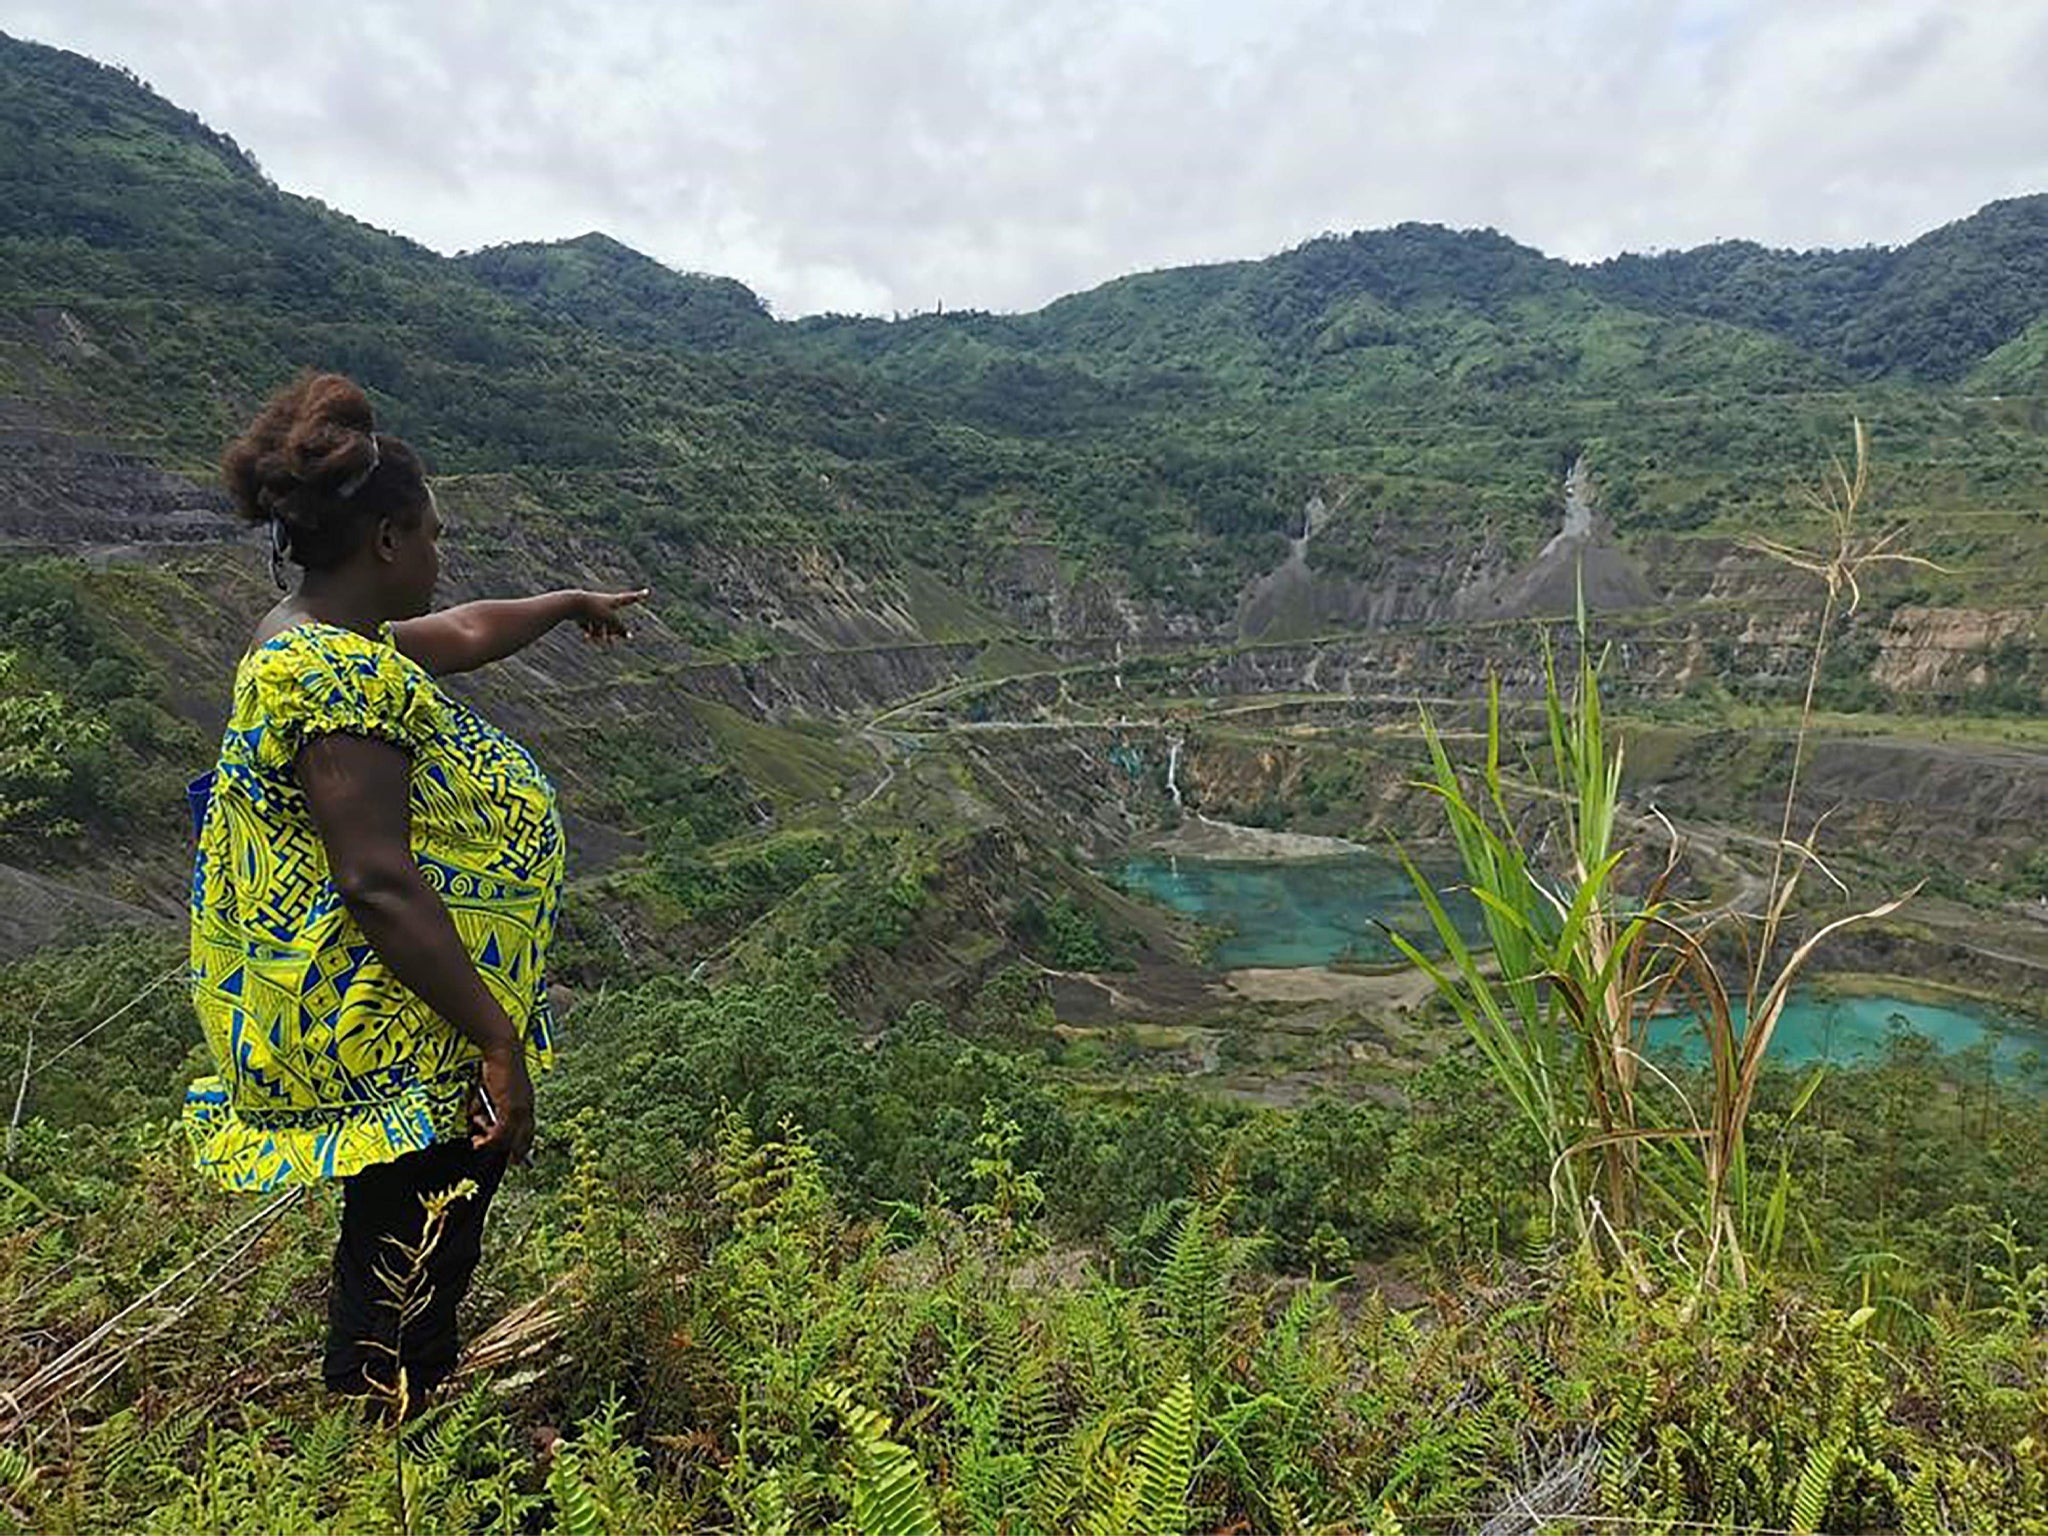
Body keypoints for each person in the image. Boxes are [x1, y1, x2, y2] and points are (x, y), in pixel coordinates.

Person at [183, 372, 647, 1406]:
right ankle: (383, 1433)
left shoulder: (319, 639)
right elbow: (377, 880)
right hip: (400, 1025)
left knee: (409, 1233)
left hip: (401, 1011)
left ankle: (393, 1421)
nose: (442, 556)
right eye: (433, 535)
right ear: (388, 540)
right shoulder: (337, 678)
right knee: (411, 1246)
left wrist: (570, 604)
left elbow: (472, 631)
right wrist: (496, 1041)